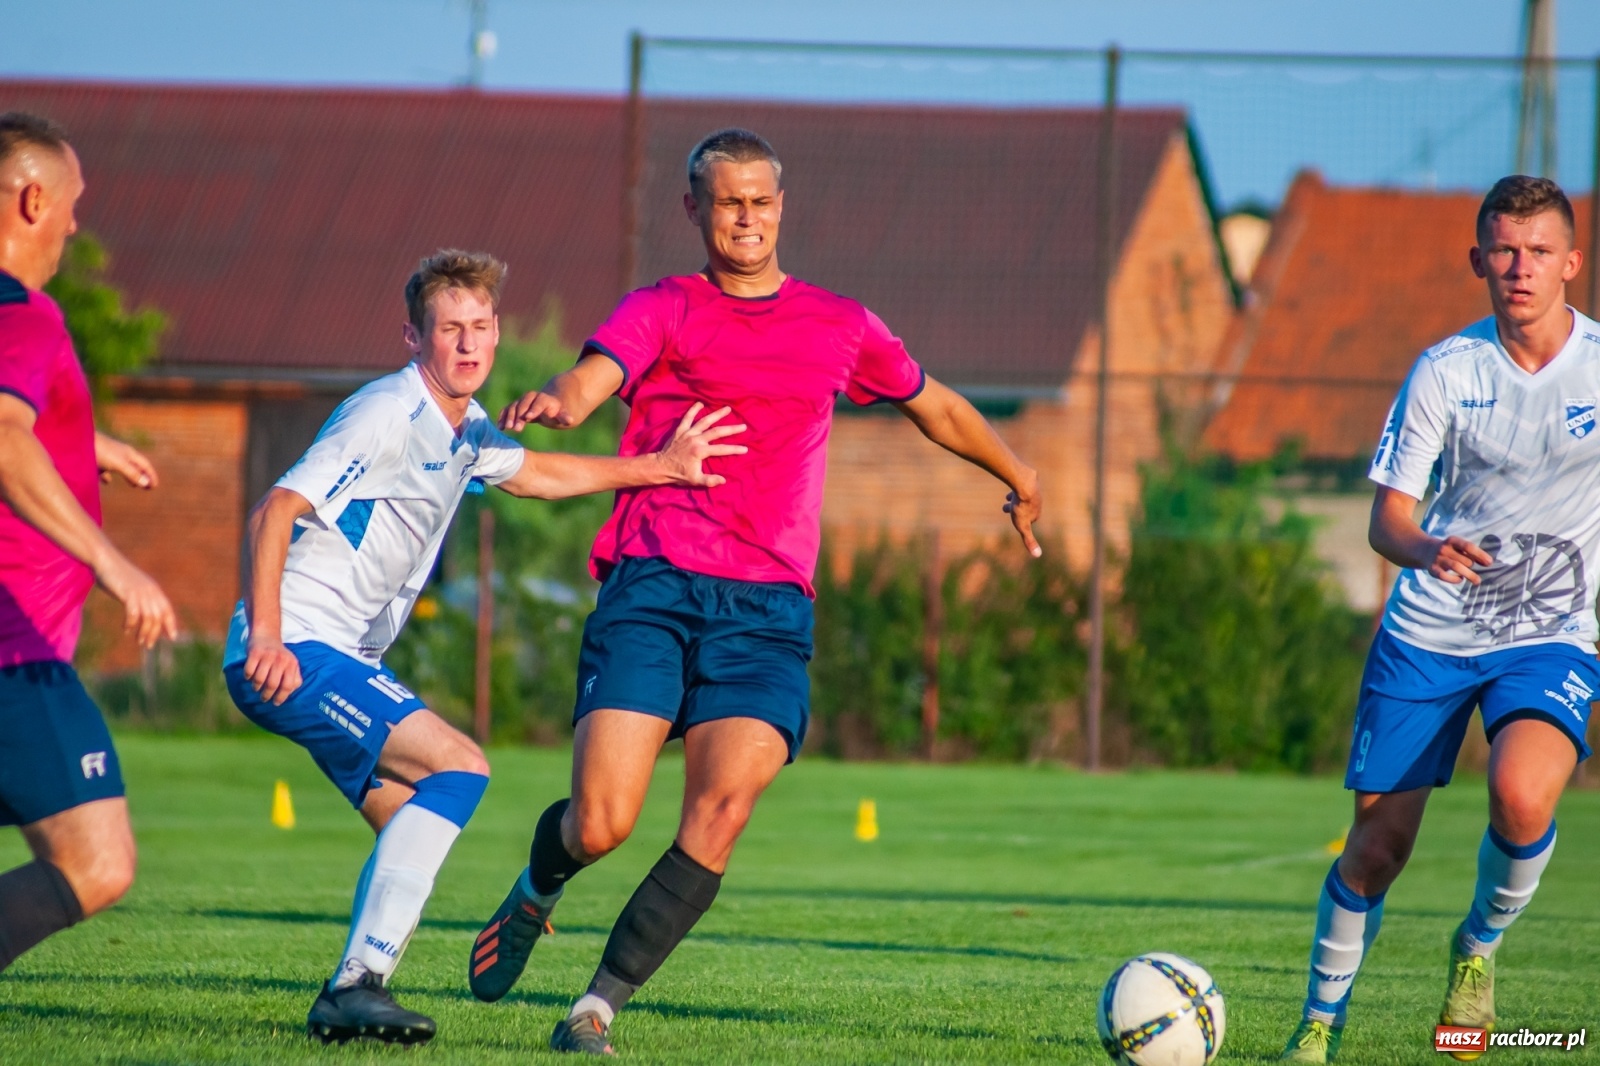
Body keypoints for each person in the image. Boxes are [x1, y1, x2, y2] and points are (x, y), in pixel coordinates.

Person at [469, 128, 1044, 1056]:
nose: (747, 217)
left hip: (768, 607)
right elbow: (595, 374)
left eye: (761, 201)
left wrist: (1017, 470)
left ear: (783, 207)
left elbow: (931, 402)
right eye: (728, 201)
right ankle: (539, 887)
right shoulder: (666, 306)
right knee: (604, 821)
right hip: (654, 581)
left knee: (723, 809)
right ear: (695, 209)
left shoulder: (840, 323)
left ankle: (595, 1009)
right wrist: (557, 400)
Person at [224, 249, 746, 1045]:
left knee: (409, 818)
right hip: (296, 643)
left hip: (338, 656)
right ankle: (354, 987)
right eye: (448, 330)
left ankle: (354, 999)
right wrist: (266, 630)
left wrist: (662, 469)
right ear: (413, 337)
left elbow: (537, 473)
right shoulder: (386, 413)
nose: (467, 345)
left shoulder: (464, 429)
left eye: (479, 328)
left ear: (497, 332)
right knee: (462, 766)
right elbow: (274, 510)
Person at [1280, 175, 1598, 1063]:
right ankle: (1318, 1026)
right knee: (1378, 847)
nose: (1520, 268)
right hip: (1430, 631)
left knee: (1522, 793)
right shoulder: (1445, 371)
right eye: (1503, 250)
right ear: (1477, 261)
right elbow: (1388, 518)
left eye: (1538, 252)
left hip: (1550, 630)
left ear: (1573, 262)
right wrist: (1426, 550)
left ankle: (1478, 949)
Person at [0, 112, 177, 973]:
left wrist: (78, 447)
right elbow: (1, 436)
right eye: (71, 202)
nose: (76, 222)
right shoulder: (23, 316)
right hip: (13, 651)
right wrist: (115, 565)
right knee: (95, 861)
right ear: (33, 199)